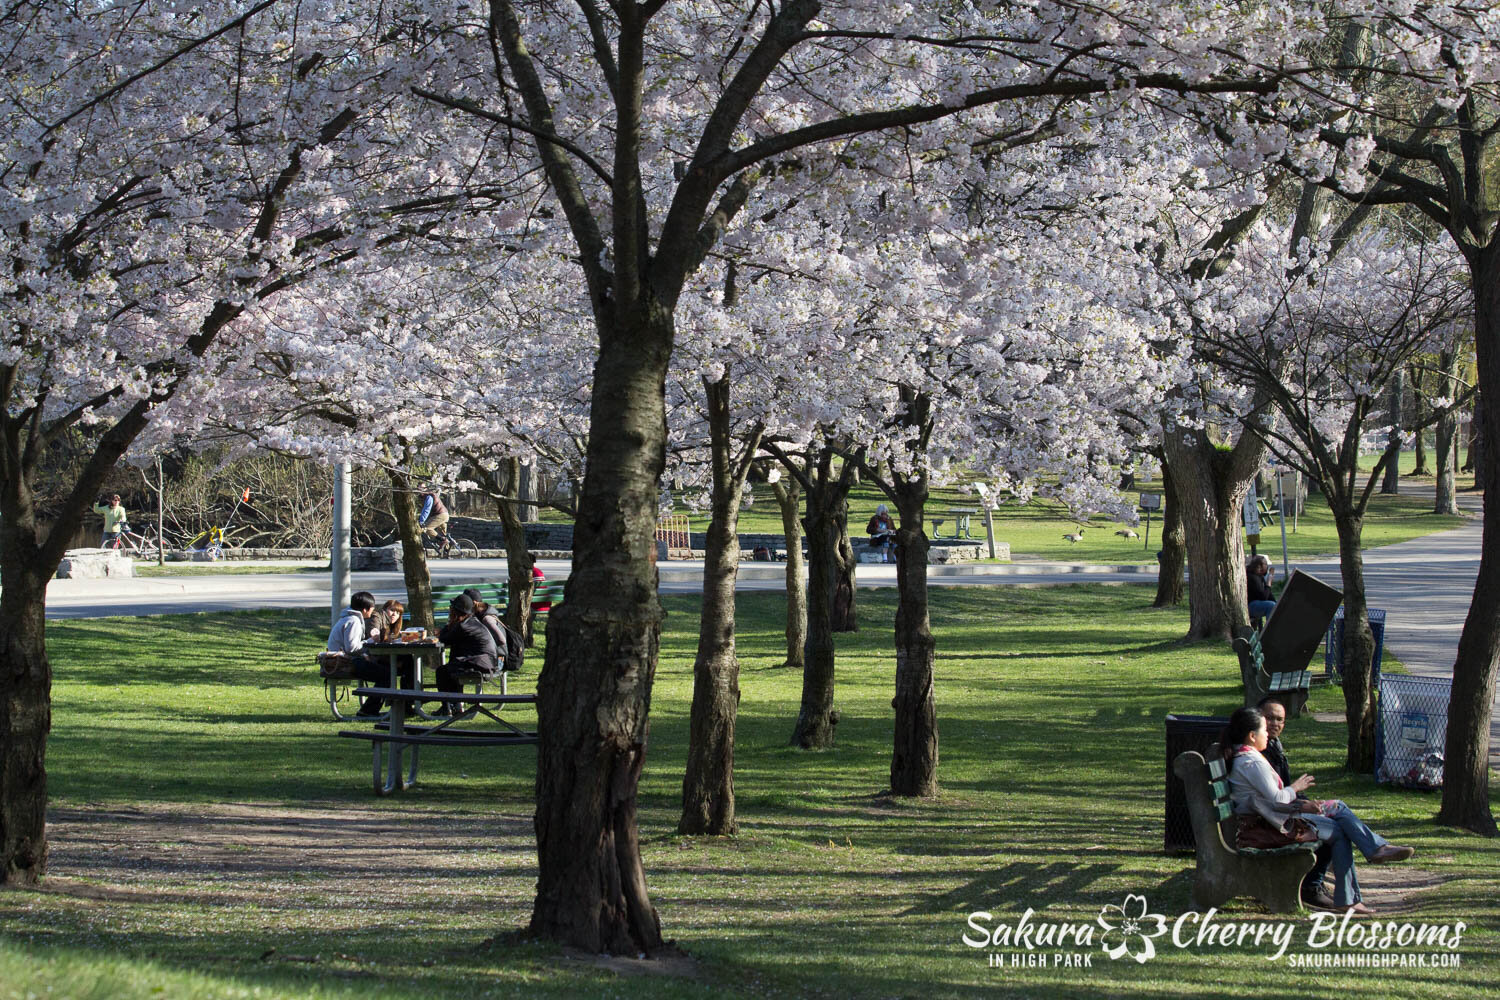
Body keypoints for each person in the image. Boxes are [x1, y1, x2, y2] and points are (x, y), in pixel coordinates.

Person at [1221, 706, 1410, 915]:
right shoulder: (1250, 762)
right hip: (1267, 827)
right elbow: (1276, 798)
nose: (1267, 733)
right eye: (1264, 729)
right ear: (1251, 735)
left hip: (1272, 819)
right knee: (1338, 830)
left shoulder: (1247, 757)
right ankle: (1358, 881)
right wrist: (1296, 788)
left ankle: (1372, 855)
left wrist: (1302, 805)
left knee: (1337, 807)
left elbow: (1266, 802)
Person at [327, 590, 409, 718]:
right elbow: (352, 649)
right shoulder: (354, 621)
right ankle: (368, 710)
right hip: (346, 662)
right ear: (365, 609)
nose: (372, 612)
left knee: (387, 672)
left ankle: (373, 709)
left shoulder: (348, 618)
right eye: (372, 609)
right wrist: (370, 641)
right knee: (387, 675)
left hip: (346, 660)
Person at [435, 594, 497, 712]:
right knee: (451, 666)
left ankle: (447, 707)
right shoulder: (471, 621)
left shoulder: (463, 626)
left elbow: (444, 638)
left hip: (480, 663)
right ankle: (454, 705)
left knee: (442, 671)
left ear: (456, 611)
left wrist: (447, 625)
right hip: (485, 661)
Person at [462, 587, 510, 664]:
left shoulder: (487, 619)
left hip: (499, 659)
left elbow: (502, 640)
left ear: (474, 603)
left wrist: (484, 647)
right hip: (489, 657)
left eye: (465, 603)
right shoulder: (479, 615)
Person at [1246, 554, 1276, 622]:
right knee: (1271, 606)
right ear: (1259, 566)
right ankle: (1270, 630)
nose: (1267, 566)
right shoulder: (1252, 577)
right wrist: (1269, 582)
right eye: (1265, 564)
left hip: (1256, 604)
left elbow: (1268, 595)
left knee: (1274, 605)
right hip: (1250, 606)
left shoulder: (1259, 576)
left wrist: (1277, 604)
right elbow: (1263, 597)